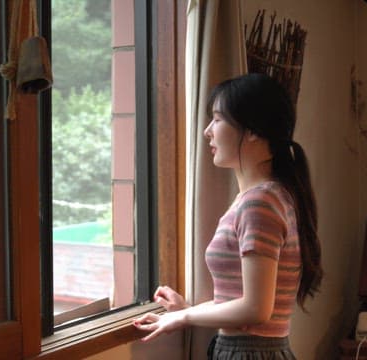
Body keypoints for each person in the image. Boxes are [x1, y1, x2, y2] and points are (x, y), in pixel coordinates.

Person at [133, 73, 322, 359]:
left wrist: (185, 319)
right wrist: (186, 312)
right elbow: (238, 303)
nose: (208, 130)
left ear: (254, 130)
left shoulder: (259, 203)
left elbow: (256, 309)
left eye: (218, 119)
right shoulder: (269, 197)